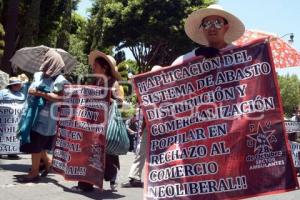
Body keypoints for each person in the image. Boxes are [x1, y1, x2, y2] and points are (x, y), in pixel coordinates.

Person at [71, 50, 123, 192]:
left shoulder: (113, 83)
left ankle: (111, 174)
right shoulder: (95, 81)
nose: (93, 68)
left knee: (105, 154)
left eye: (95, 66)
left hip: (106, 123)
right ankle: (85, 184)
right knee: (89, 152)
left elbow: (120, 103)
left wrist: (106, 99)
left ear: (104, 67)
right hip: (92, 123)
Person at [16, 49, 69, 183]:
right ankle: (49, 163)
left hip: (47, 119)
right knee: (35, 142)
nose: (44, 62)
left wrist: (40, 93)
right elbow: (31, 89)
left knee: (36, 143)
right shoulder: (38, 75)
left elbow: (61, 98)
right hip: (32, 115)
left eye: (47, 60)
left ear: (53, 62)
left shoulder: (61, 80)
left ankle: (34, 173)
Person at [121, 65, 162, 188]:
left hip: (161, 128)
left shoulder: (166, 91)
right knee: (140, 151)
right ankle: (134, 177)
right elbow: (145, 111)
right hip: (149, 126)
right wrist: (143, 127)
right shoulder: (148, 90)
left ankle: (162, 179)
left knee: (158, 153)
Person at [172, 4, 245, 65]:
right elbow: (173, 67)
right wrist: (197, 53)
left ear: (226, 27)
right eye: (207, 24)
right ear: (203, 29)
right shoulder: (198, 53)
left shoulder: (239, 53)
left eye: (218, 23)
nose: (212, 28)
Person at [0, 75, 29, 160]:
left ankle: (12, 152)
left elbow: (24, 105)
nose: (20, 86)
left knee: (14, 135)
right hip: (4, 119)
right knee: (3, 134)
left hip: (16, 119)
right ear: (12, 85)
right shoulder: (3, 92)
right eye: (17, 85)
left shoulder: (21, 95)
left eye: (20, 85)